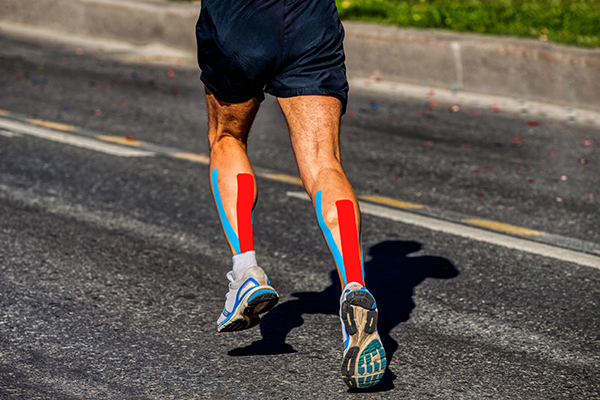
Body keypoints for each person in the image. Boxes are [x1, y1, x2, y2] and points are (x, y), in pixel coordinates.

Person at [196, 0, 386, 389]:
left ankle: (246, 271)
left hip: (238, 19)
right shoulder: (426, 265)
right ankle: (354, 285)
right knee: (324, 163)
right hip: (309, 20)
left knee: (227, 136)